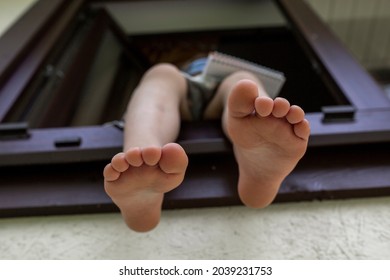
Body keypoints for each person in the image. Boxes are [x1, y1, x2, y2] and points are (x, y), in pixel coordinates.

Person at [103, 62, 310, 232]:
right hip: (187, 95)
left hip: (224, 95)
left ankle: (258, 153)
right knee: (162, 73)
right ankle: (143, 153)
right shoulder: (178, 76)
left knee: (243, 81)